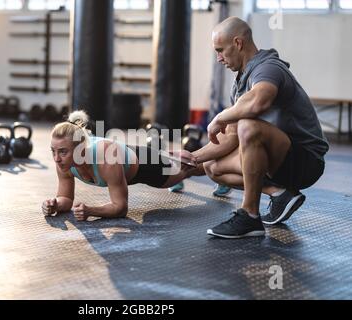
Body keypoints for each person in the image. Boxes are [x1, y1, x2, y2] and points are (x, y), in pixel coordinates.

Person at [187, 16, 329, 238]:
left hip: (305, 160)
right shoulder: (240, 83)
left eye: (220, 50)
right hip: (280, 161)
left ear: (238, 43)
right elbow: (231, 137)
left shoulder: (268, 68)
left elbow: (258, 101)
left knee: (248, 127)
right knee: (212, 167)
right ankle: (279, 193)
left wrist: (220, 117)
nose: (218, 58)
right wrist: (191, 158)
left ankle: (249, 216)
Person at [42, 110, 201, 221]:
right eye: (53, 151)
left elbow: (121, 207)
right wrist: (55, 204)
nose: (56, 158)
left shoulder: (106, 161)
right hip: (124, 155)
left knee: (189, 170)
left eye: (63, 152)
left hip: (146, 165)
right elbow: (66, 198)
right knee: (179, 165)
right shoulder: (63, 162)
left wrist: (91, 211)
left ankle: (217, 168)